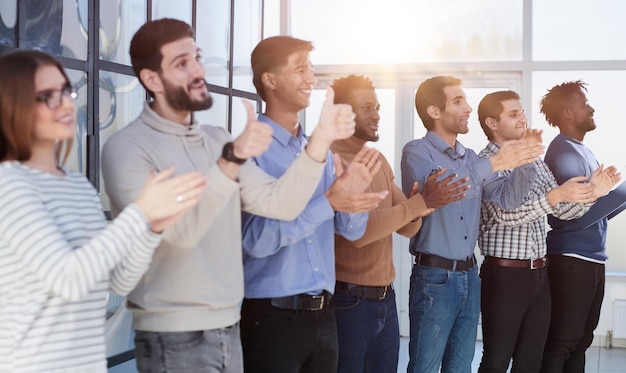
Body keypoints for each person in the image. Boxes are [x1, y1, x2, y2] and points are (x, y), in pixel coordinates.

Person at [101, 19, 357, 373]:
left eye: (198, 57)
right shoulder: (126, 148)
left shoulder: (215, 139)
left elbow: (279, 203)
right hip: (173, 336)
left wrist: (319, 143)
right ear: (151, 80)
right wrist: (230, 162)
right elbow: (183, 234)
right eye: (181, 63)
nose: (198, 71)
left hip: (228, 328)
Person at [0, 50, 206, 372]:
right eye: (47, 97)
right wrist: (139, 213)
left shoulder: (76, 185)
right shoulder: (9, 185)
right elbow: (68, 279)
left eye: (66, 91)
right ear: (11, 106)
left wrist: (152, 228)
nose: (67, 104)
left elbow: (116, 282)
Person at [239, 38, 387, 373]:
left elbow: (351, 230)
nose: (311, 78)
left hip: (324, 317)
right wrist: (328, 201)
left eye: (312, 69)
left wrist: (353, 197)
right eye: (300, 68)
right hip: (272, 320)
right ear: (270, 80)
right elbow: (255, 242)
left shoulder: (320, 153)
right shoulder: (250, 149)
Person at [400, 75, 545, 373]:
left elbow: (507, 199)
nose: (468, 107)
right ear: (434, 111)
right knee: (425, 367)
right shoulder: (417, 151)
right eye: (458, 101)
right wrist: (495, 163)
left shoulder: (469, 157)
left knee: (460, 367)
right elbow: (445, 190)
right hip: (435, 278)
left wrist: (524, 158)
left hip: (470, 276)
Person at [328, 74, 470, 373]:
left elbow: (407, 227)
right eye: (366, 107)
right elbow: (360, 232)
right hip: (348, 301)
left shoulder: (376, 158)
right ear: (341, 112)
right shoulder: (331, 159)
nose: (377, 114)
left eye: (377, 106)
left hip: (384, 299)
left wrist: (419, 206)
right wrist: (419, 204)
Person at [476, 90, 620, 373]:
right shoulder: (485, 164)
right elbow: (507, 214)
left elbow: (562, 211)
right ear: (492, 123)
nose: (523, 119)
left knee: (531, 362)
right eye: (513, 114)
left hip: (539, 276)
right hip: (504, 277)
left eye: (522, 112)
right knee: (496, 360)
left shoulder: (535, 162)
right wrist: (555, 196)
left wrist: (592, 193)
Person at [539, 81, 626, 373]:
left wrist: (619, 196)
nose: (591, 108)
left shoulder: (582, 151)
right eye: (583, 103)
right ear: (567, 113)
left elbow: (596, 212)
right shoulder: (563, 152)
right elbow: (573, 216)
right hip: (571, 261)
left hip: (590, 259)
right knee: (563, 341)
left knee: (581, 341)